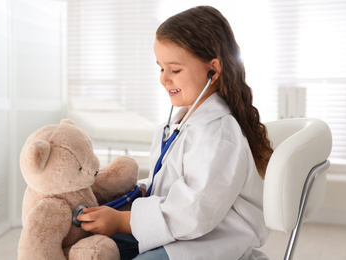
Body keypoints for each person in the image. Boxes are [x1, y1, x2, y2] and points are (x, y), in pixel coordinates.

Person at [77, 5, 273, 260]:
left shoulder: (219, 134)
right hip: (177, 232)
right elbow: (168, 183)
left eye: (175, 70)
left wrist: (121, 222)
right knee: (90, 245)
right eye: (161, 68)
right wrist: (140, 192)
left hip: (211, 243)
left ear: (212, 70)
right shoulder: (179, 124)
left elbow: (194, 211)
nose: (164, 78)